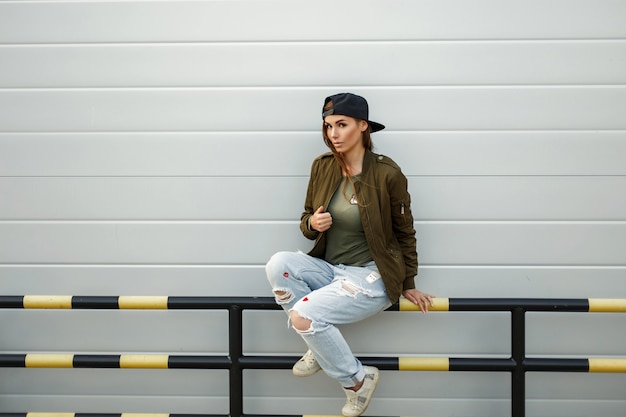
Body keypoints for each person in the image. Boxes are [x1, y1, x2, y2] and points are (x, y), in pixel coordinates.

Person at [265, 92, 434, 417]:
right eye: (328, 126)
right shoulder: (323, 166)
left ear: (363, 126)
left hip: (372, 276)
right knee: (279, 265)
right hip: (331, 270)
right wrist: (312, 224)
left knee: (304, 315)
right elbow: (305, 220)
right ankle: (317, 343)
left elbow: (405, 231)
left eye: (341, 125)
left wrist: (408, 281)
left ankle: (357, 380)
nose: (333, 134)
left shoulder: (387, 173)